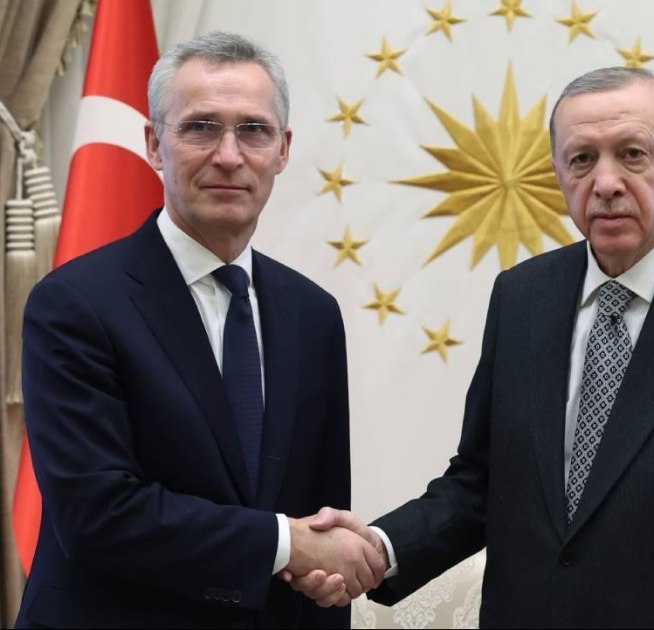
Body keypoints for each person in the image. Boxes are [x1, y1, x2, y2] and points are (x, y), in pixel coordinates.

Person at [298, 67, 654, 628]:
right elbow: (482, 482)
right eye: (582, 159)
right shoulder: (522, 297)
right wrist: (380, 548)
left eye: (632, 154)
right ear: (558, 174)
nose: (606, 183)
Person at [15, 32, 384, 629]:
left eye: (253, 130)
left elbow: (320, 524)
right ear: (154, 145)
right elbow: (98, 515)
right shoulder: (74, 304)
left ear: (283, 150)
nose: (229, 155)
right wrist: (284, 543)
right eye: (201, 128)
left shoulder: (313, 313)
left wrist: (322, 567)